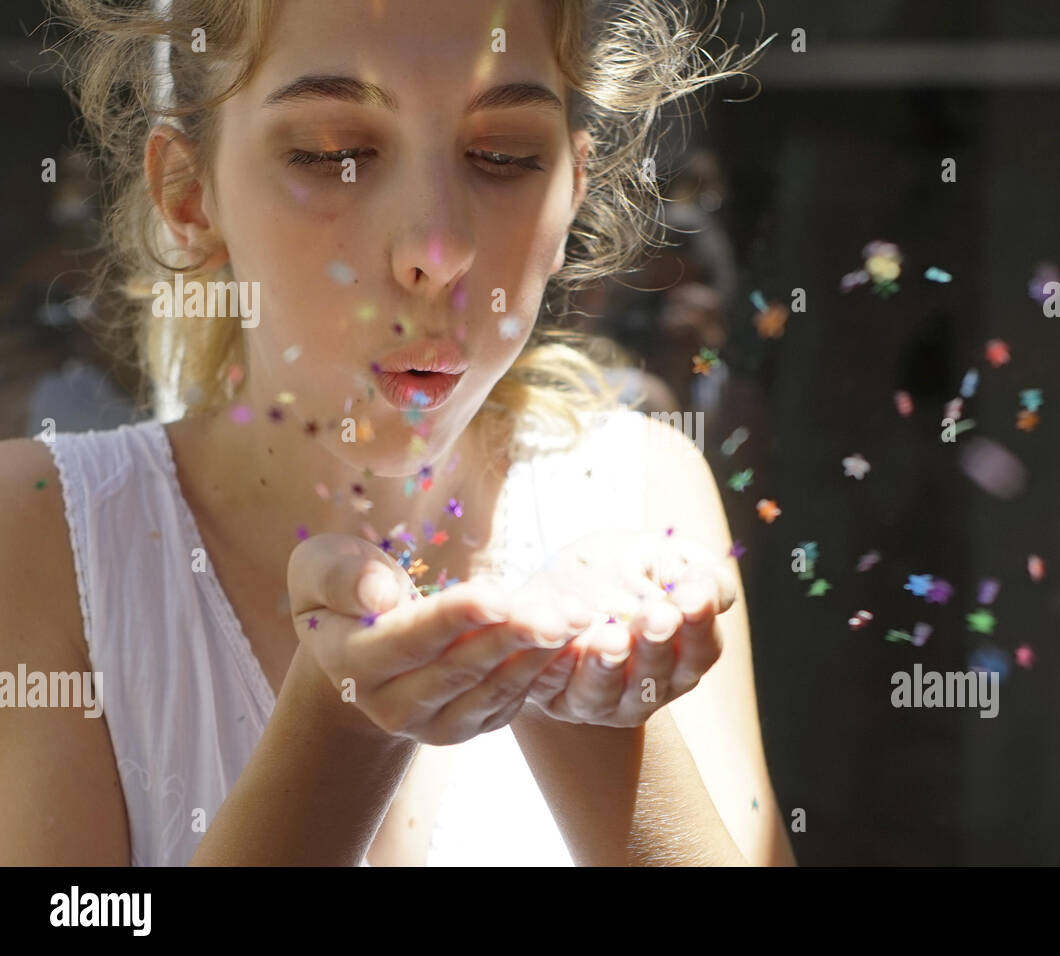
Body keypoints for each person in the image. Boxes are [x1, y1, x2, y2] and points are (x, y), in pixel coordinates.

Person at [0, 0, 794, 866]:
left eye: (504, 158)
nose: (437, 248)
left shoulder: (647, 491)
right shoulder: (40, 531)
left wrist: (590, 710)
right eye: (333, 156)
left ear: (575, 190)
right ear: (191, 198)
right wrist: (338, 727)